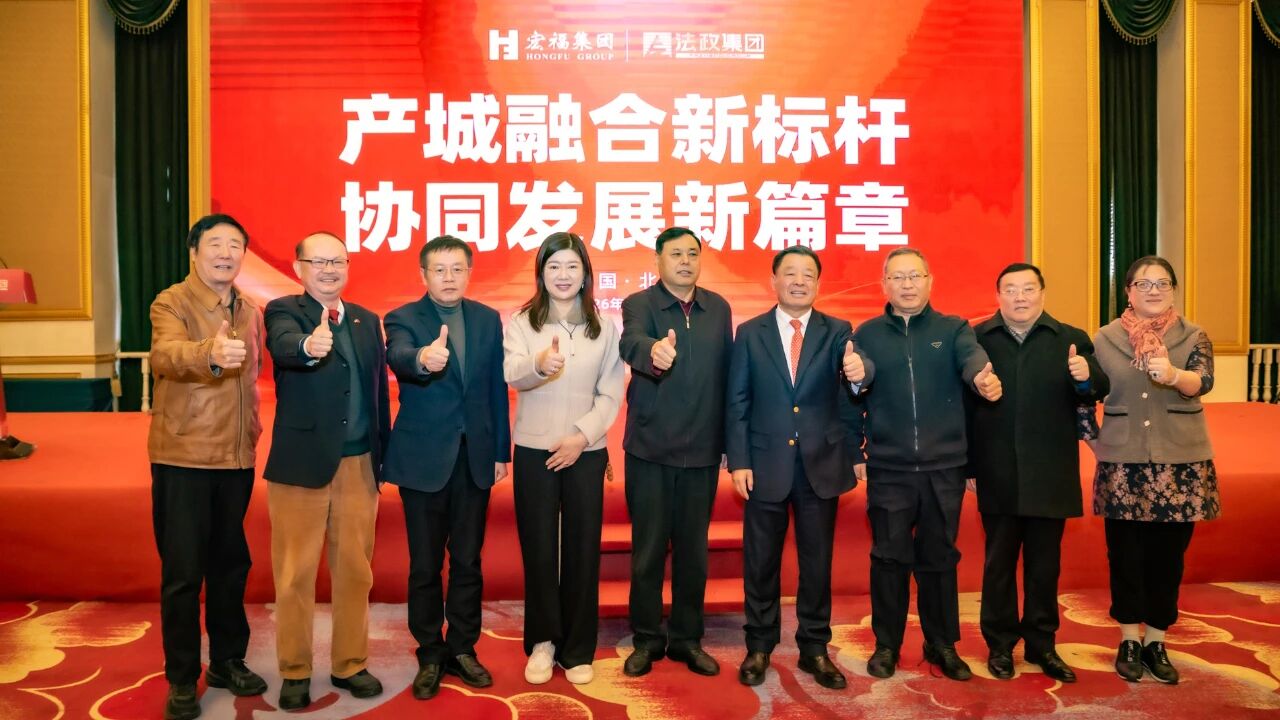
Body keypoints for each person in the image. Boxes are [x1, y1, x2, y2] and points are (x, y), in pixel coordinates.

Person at [725, 245, 871, 690]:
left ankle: (814, 648)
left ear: (818, 283)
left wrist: (859, 377)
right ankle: (759, 645)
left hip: (819, 465)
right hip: (764, 464)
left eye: (808, 274)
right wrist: (739, 460)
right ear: (774, 280)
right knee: (761, 562)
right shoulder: (750, 332)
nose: (799, 281)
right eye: (790, 273)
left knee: (816, 563)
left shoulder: (837, 330)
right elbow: (737, 401)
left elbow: (853, 388)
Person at [853, 246, 1001, 682]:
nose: (907, 285)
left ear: (930, 281)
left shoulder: (953, 329)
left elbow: (972, 359)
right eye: (897, 277)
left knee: (940, 557)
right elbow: (857, 384)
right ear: (884, 285)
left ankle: (942, 643)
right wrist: (854, 446)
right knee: (888, 558)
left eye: (914, 276)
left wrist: (981, 376)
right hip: (890, 468)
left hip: (943, 466)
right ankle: (887, 644)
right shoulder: (867, 334)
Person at [262, 232, 390, 710]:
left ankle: (350, 663)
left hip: (359, 463)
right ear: (299, 267)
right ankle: (295, 669)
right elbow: (284, 346)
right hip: (301, 464)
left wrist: (382, 456)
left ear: (348, 266)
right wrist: (309, 345)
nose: (329, 270)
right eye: (318, 262)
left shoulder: (366, 320)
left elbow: (378, 392)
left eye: (337, 261)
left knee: (356, 571)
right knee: (294, 573)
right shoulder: (283, 310)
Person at [148, 214, 267, 720]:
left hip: (236, 457)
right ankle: (181, 677)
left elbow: (256, 374)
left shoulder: (250, 309)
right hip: (184, 455)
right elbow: (164, 356)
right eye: (215, 243)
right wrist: (210, 354)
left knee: (230, 565)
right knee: (182, 573)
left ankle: (226, 660)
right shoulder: (171, 301)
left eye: (235, 245)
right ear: (194, 252)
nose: (225, 253)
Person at [383, 235, 511, 700]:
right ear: (423, 275)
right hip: (423, 460)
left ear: (469, 272)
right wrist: (422, 358)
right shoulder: (402, 318)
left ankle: (462, 647)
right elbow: (400, 356)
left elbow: (496, 389)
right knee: (424, 564)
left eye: (458, 269)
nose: (449, 277)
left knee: (468, 560)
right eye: (439, 270)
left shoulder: (487, 319)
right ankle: (430, 652)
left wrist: (500, 451)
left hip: (474, 458)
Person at [967, 262, 1109, 682]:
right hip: (996, 468)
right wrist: (969, 465)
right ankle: (1000, 645)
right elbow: (963, 406)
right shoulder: (977, 339)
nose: (1020, 297)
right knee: (998, 564)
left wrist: (1084, 377)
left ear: (1042, 293)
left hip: (1050, 469)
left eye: (1028, 288)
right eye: (1010, 289)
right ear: (998, 295)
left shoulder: (1069, 338)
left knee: (1044, 566)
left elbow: (1098, 387)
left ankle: (1042, 645)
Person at [502, 231, 625, 686]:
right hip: (534, 450)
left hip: (585, 451)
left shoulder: (604, 327)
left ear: (586, 274)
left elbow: (610, 393)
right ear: (541, 273)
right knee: (538, 549)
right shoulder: (522, 322)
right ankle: (542, 642)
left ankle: (577, 648)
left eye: (572, 266)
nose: (563, 275)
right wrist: (539, 365)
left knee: (581, 549)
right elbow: (512, 373)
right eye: (553, 266)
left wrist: (581, 436)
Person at [1092, 255, 1220, 685]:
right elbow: (1084, 392)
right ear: (1128, 292)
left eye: (1162, 283)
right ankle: (1130, 639)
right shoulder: (1105, 338)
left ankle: (1157, 640)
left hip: (1180, 464)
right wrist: (1095, 440)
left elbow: (1203, 381)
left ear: (1173, 290)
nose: (1153, 290)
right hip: (1123, 463)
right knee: (1124, 555)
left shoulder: (1193, 335)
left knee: (1167, 559)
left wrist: (1173, 375)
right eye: (1143, 284)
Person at [618, 227, 733, 679]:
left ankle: (687, 639)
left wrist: (729, 444)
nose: (685, 261)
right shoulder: (639, 304)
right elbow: (630, 342)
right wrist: (653, 352)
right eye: (676, 254)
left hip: (702, 451)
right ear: (658, 260)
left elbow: (728, 377)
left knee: (693, 553)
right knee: (648, 552)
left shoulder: (718, 308)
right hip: (650, 449)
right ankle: (646, 638)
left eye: (692, 253)